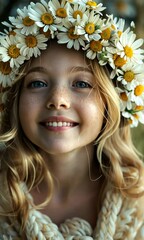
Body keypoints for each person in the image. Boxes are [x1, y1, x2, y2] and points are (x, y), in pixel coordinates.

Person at [0, 0, 144, 239]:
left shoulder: (138, 202)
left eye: (81, 83)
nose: (58, 100)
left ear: (111, 101)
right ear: (15, 99)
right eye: (37, 83)